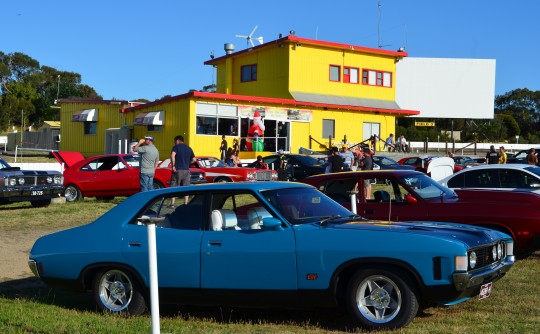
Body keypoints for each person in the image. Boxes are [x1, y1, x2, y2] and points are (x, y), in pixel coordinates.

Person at [170, 135, 196, 205]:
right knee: (186, 187)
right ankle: (186, 203)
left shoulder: (176, 147)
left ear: (178, 140)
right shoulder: (189, 148)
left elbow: (173, 155)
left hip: (178, 169)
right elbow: (194, 159)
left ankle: (172, 204)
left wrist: (173, 166)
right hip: (186, 170)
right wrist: (188, 163)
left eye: (174, 141)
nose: (174, 143)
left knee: (174, 186)